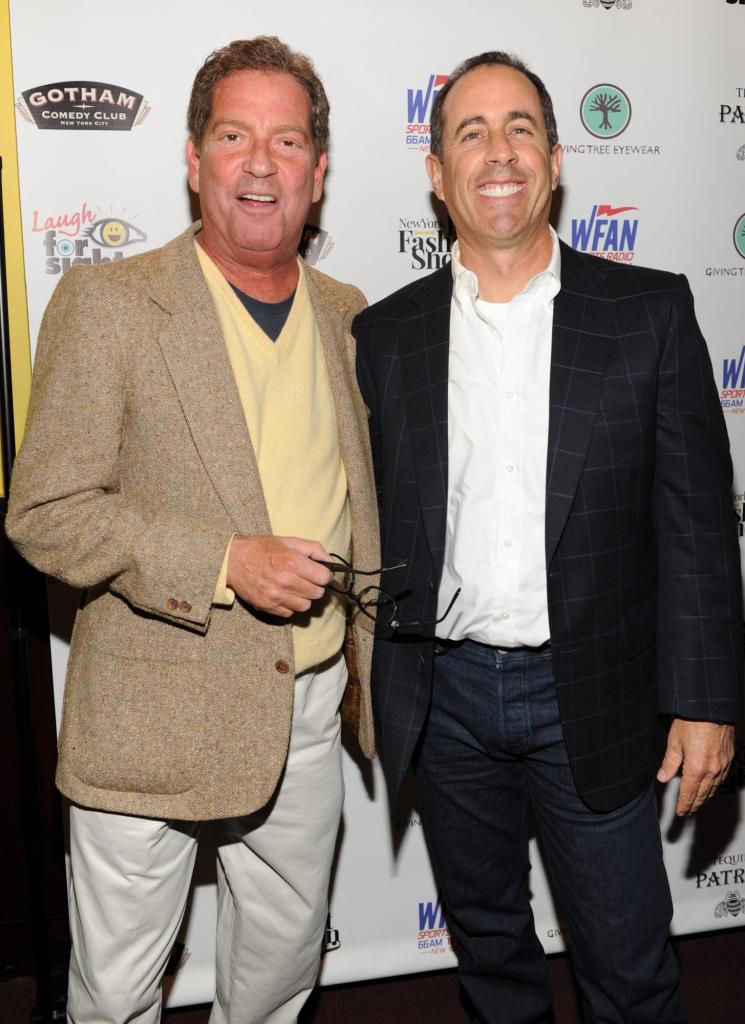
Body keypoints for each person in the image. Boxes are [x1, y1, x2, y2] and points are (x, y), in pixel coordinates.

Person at [354, 50, 743, 1024]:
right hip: (442, 698)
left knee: (627, 961)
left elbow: (697, 517)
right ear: (437, 174)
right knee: (489, 948)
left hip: (594, 693)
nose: (498, 151)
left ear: (556, 161)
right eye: (469, 132)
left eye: (520, 127)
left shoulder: (646, 313)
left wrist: (703, 697)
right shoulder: (384, 335)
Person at [6, 36, 379, 1024]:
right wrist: (220, 563)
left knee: (276, 976)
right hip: (153, 707)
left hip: (306, 708)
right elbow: (43, 511)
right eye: (233, 136)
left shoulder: (351, 316)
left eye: (287, 140)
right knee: (117, 995)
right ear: (191, 157)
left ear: (319, 170)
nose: (261, 163)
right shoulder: (111, 303)